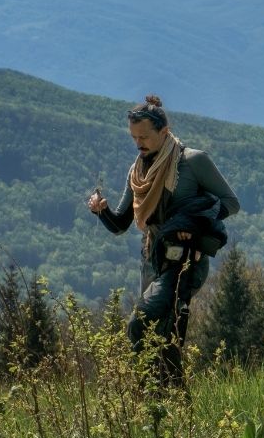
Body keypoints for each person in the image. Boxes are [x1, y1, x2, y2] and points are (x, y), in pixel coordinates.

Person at [87, 95, 240, 385]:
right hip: (152, 259)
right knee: (163, 335)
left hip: (185, 261)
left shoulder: (193, 161)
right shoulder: (139, 171)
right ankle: (171, 404)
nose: (138, 143)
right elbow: (121, 223)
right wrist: (101, 210)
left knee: (141, 325)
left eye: (144, 136)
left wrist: (192, 224)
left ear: (164, 131)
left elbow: (231, 203)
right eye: (134, 137)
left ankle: (151, 394)